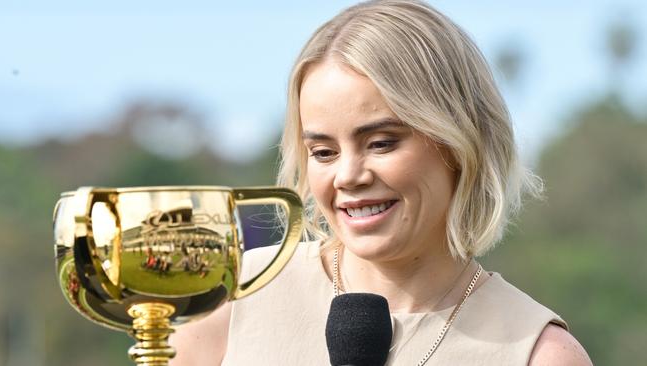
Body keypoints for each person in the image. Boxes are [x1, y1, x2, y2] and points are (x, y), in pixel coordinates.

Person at [171, 1, 592, 365]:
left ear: (458, 142)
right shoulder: (230, 297)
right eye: (323, 152)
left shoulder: (540, 354)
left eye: (381, 143)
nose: (349, 176)